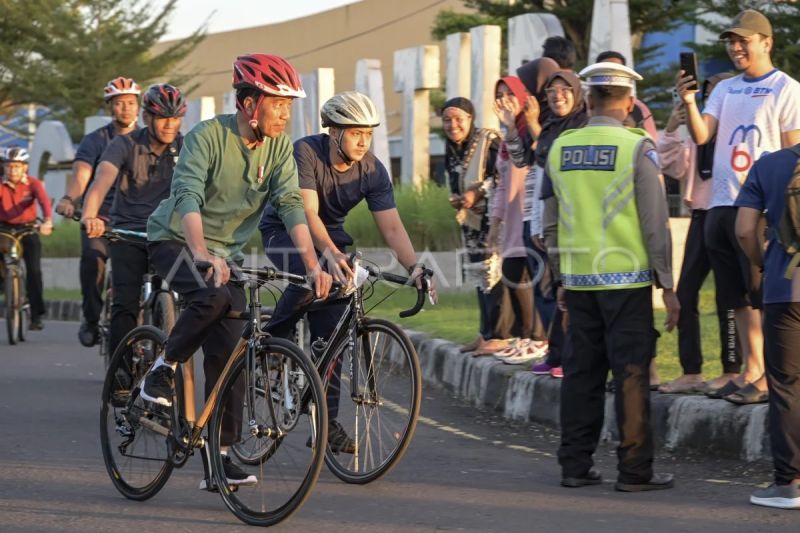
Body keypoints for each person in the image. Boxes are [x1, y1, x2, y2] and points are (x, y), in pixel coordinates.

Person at [140, 53, 332, 488]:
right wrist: (203, 252)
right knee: (214, 295)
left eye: (288, 105)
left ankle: (220, 456)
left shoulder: (280, 147)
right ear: (249, 105)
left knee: (233, 354)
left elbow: (289, 204)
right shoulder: (208, 136)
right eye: (277, 103)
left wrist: (311, 264)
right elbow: (187, 194)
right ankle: (162, 367)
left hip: (227, 254)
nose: (285, 114)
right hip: (175, 239)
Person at [261, 91, 437, 452]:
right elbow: (307, 214)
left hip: (332, 238)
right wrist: (330, 255)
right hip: (285, 231)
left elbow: (392, 228)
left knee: (334, 332)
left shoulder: (372, 169)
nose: (363, 141)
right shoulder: (305, 152)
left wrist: (415, 268)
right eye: (355, 132)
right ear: (334, 132)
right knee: (318, 276)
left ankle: (325, 423)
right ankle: (272, 340)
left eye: (368, 134)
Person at [542, 62, 679, 491]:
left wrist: (559, 276)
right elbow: (655, 222)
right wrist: (668, 284)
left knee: (581, 373)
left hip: (580, 282)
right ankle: (635, 471)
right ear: (630, 103)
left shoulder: (561, 148)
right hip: (628, 281)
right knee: (632, 374)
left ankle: (574, 466)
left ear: (587, 100)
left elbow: (550, 220)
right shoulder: (637, 147)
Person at [676, 8, 800, 404]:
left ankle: (767, 375)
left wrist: (782, 211)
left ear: (766, 42)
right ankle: (751, 369)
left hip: (761, 206)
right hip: (721, 201)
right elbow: (701, 135)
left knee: (761, 289)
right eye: (731, 41)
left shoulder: (786, 88)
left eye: (742, 40)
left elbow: (791, 152)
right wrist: (690, 101)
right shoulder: (726, 89)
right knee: (734, 295)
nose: (735, 48)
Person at [81, 83, 186, 354]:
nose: (170, 125)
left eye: (175, 118)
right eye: (163, 117)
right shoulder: (125, 144)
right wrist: (90, 216)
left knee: (198, 298)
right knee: (125, 304)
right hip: (128, 234)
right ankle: (121, 376)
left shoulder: (186, 147)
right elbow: (101, 181)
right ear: (147, 117)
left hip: (169, 235)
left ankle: (172, 368)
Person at [657, 73, 742, 394]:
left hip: (730, 214)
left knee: (730, 296)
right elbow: (671, 166)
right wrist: (670, 127)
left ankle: (732, 369)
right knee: (686, 294)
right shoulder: (696, 134)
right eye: (708, 93)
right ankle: (691, 371)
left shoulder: (739, 135)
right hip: (701, 216)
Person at [501, 69, 589, 375]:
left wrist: (535, 125)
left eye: (565, 89)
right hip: (545, 214)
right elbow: (526, 162)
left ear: (577, 93)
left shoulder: (581, 125)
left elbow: (558, 160)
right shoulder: (551, 123)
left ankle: (569, 355)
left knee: (569, 288)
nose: (557, 95)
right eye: (552, 90)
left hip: (574, 218)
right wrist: (513, 127)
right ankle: (557, 352)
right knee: (551, 287)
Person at [736, 145, 800, 509]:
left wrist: (762, 263)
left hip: (785, 286)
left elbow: (745, 230)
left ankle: (789, 483)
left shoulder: (771, 164)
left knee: (788, 386)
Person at [56, 77, 141, 347]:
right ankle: (91, 318)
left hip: (140, 220)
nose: (125, 108)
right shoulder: (96, 140)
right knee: (93, 260)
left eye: (131, 103)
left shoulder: (150, 139)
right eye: (119, 103)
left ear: (139, 106)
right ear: (110, 108)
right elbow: (82, 176)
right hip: (102, 219)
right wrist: (71, 198)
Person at [488, 76, 547, 365]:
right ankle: (527, 335)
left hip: (529, 211)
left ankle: (537, 337)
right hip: (512, 215)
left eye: (509, 93)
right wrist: (494, 223)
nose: (503, 99)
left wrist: (514, 126)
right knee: (513, 272)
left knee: (523, 273)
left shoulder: (529, 127)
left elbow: (529, 162)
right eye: (499, 95)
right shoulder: (508, 136)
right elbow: (501, 184)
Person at [441, 97, 505, 355]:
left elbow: (502, 175)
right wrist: (460, 199)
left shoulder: (489, 142)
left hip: (494, 220)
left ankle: (500, 335)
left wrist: (475, 195)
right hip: (472, 221)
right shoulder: (452, 146)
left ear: (471, 119)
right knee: (480, 276)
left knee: (493, 275)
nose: (452, 125)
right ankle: (484, 333)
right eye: (447, 120)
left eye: (458, 119)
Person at [0, 147, 53, 330]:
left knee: (34, 271)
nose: (12, 170)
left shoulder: (33, 183)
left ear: (25, 167)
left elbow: (44, 202)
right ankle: (5, 289)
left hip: (28, 228)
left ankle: (36, 316)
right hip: (4, 229)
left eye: (16, 166)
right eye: (8, 166)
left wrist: (47, 221)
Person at [595, 51, 658, 141]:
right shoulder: (583, 106)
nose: (612, 74)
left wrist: (634, 129)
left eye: (617, 70)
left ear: (630, 103)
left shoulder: (640, 108)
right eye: (606, 70)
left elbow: (652, 142)